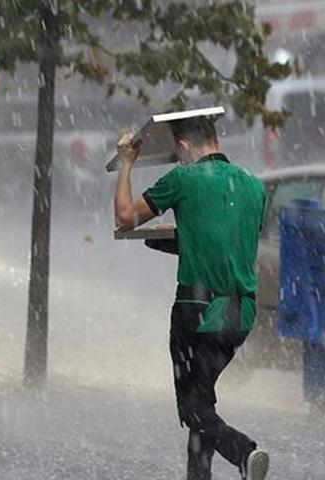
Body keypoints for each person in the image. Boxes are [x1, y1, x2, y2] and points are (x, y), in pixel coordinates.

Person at [113, 115, 270, 480]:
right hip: (240, 315)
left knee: (193, 409)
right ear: (215, 137)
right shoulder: (253, 186)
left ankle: (244, 453)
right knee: (203, 401)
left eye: (178, 153)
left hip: (197, 311)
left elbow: (124, 217)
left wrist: (126, 164)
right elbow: (224, 241)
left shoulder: (183, 179)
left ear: (183, 147)